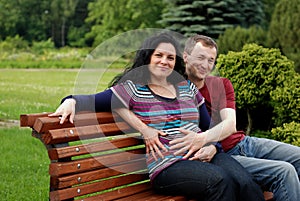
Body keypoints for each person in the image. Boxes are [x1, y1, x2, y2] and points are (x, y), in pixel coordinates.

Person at [50, 33, 265, 201]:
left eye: (170, 57)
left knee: (246, 182)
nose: (165, 61)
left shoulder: (187, 88)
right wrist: (70, 100)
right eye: (158, 55)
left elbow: (207, 127)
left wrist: (212, 147)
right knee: (220, 181)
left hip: (204, 155)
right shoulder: (133, 89)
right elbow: (89, 100)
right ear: (148, 58)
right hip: (168, 165)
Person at [168, 34, 300, 201]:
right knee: (284, 172)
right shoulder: (174, 91)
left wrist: (202, 139)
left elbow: (230, 125)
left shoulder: (220, 84)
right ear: (185, 57)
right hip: (224, 156)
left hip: (244, 143)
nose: (205, 65)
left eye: (211, 60)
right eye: (200, 57)